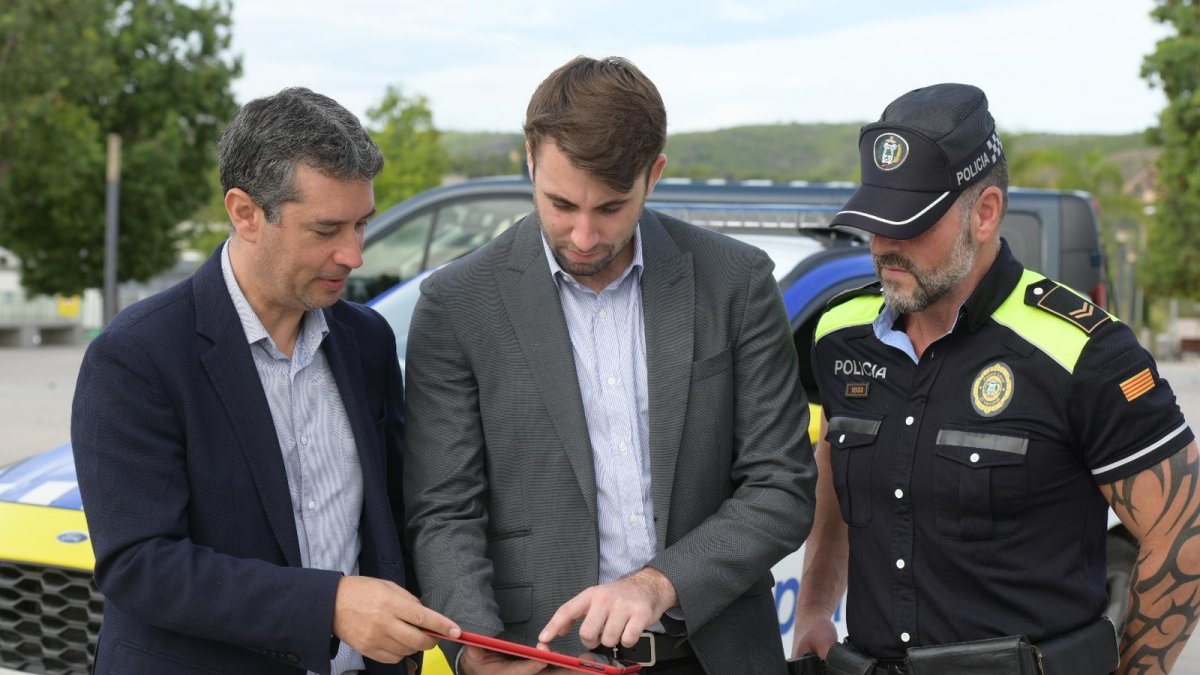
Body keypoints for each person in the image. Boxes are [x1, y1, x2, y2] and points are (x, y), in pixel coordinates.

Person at [403, 56, 816, 675]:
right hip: (540, 662)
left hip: (716, 655)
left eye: (612, 208)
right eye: (561, 204)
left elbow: (781, 486)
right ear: (530, 159)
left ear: (654, 175)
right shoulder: (456, 303)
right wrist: (476, 646)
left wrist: (657, 584)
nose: (585, 235)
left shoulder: (736, 281)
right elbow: (444, 511)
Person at [791, 83, 1200, 675]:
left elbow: (1182, 532)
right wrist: (814, 608)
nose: (884, 247)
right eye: (876, 222)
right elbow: (835, 475)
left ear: (983, 213)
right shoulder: (838, 335)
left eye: (910, 224)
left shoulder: (1085, 352)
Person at [71, 87, 460, 675]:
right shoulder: (136, 355)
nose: (354, 254)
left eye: (362, 224)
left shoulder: (367, 342)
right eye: (327, 230)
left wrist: (466, 635)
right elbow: (141, 565)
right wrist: (327, 604)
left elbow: (401, 517)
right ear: (245, 213)